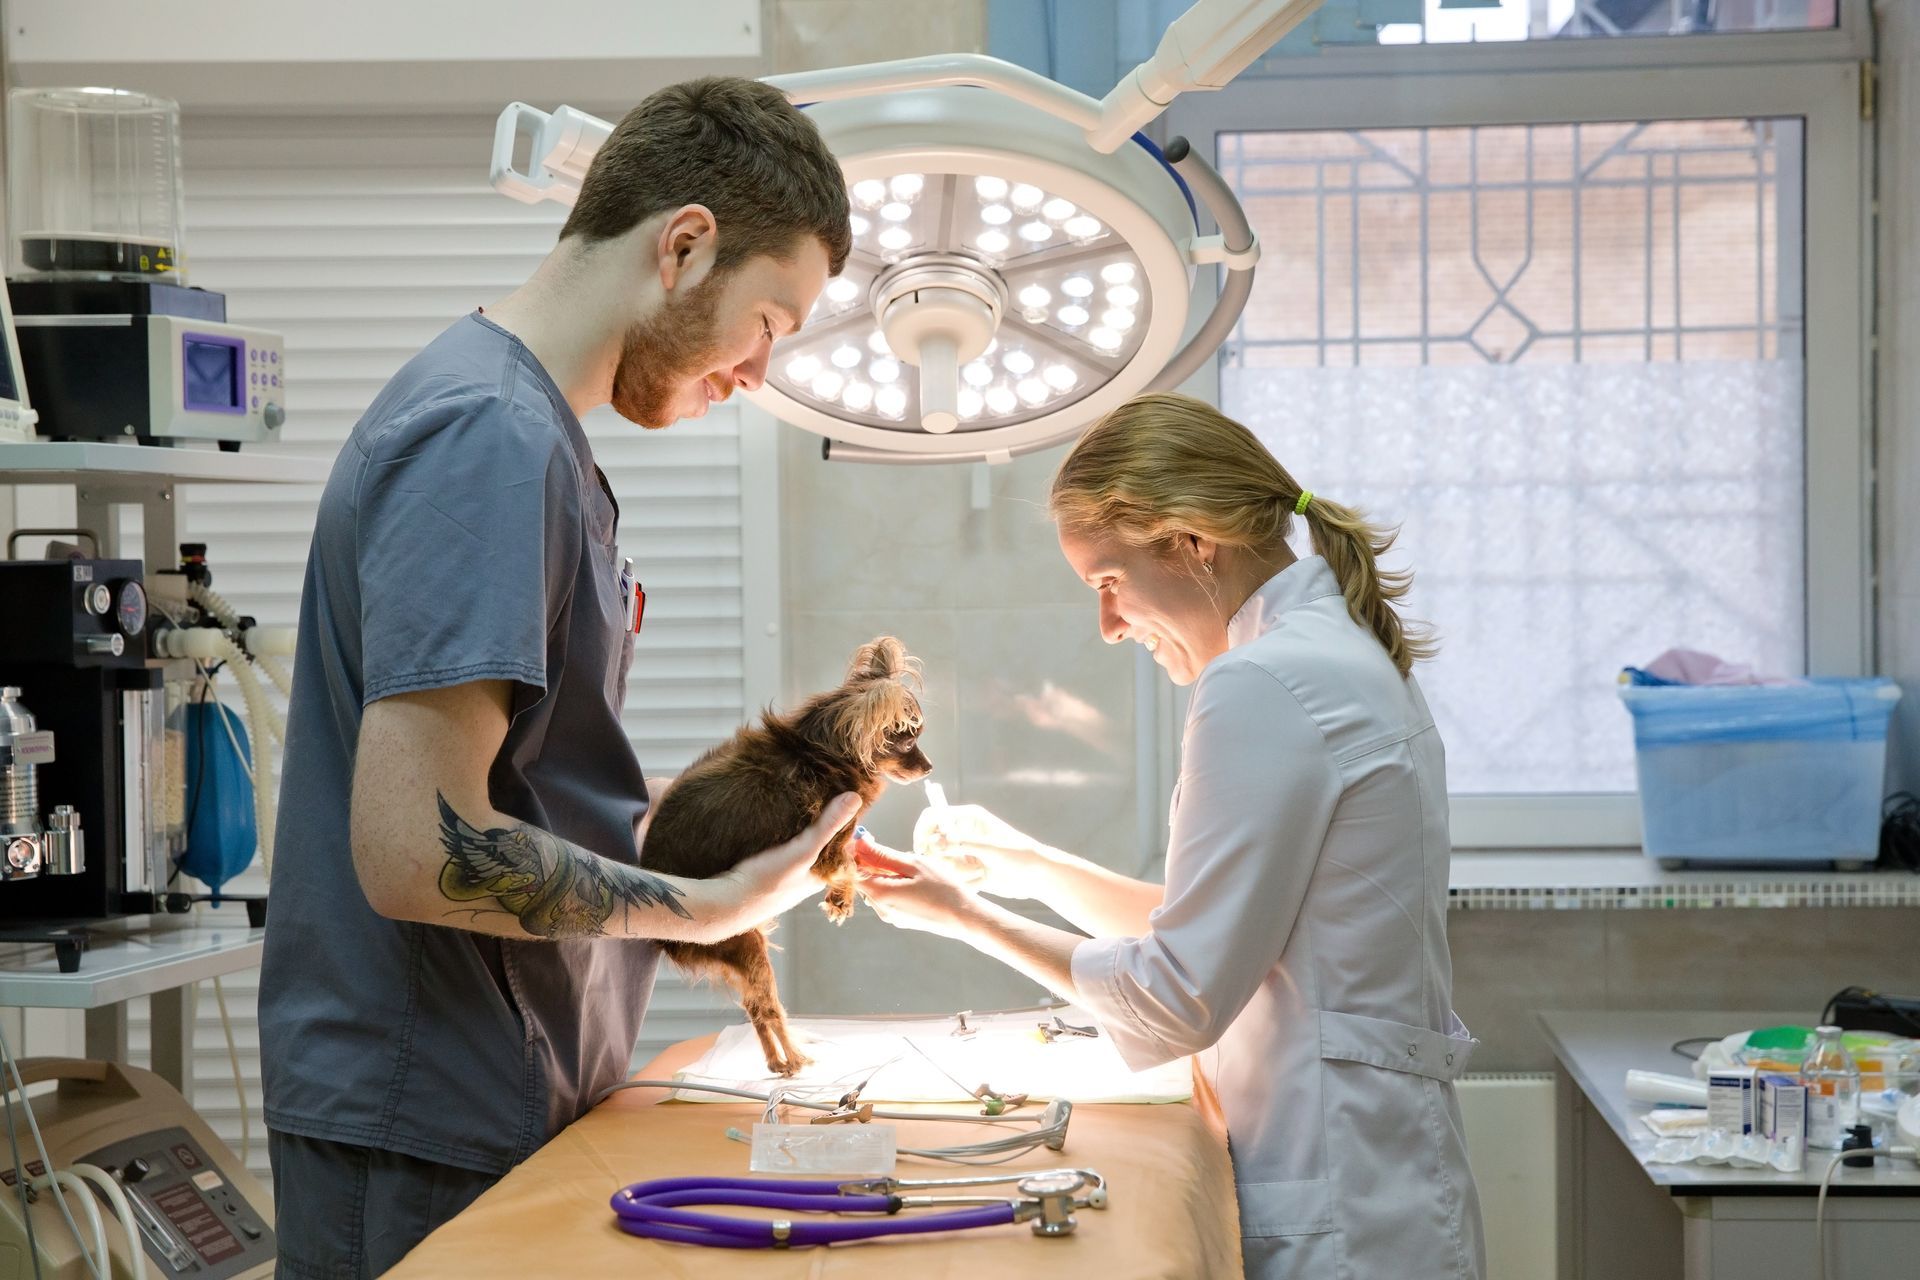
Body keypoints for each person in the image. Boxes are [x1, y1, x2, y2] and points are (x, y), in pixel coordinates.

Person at [257, 77, 859, 1278]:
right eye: (772, 324)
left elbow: (530, 780)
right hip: (427, 1118)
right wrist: (707, 906)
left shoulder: (536, 438)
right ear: (684, 246)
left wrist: (736, 833)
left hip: (495, 1094)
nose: (759, 370)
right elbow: (418, 847)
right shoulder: (485, 434)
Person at [860, 392, 1486, 1279]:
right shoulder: (1331, 654)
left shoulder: (1264, 683)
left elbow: (1180, 997)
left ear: (1193, 542)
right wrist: (1026, 865)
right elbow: (1236, 933)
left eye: (1109, 582)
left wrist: (965, 917)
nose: (1110, 627)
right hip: (1377, 1182)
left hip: (1340, 1197)